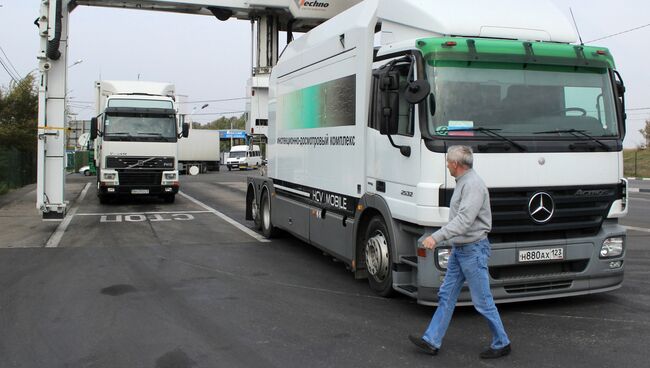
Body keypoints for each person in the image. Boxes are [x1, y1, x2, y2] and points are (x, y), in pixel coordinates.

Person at [408, 145, 511, 359]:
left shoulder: (472, 185)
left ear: (456, 164)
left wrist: (435, 237)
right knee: (446, 295)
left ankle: (502, 342)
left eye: (448, 162)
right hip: (461, 250)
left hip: (472, 251)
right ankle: (431, 340)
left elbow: (464, 221)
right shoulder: (464, 182)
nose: (446, 165)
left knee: (482, 300)